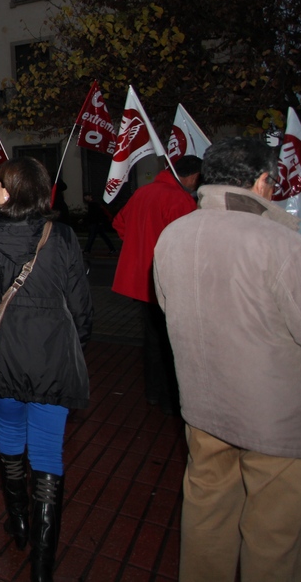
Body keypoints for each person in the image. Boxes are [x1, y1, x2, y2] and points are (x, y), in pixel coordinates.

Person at [153, 138, 301, 582]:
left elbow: (168, 305)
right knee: (273, 539)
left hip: (204, 407)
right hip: (277, 420)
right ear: (263, 181)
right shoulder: (285, 246)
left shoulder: (173, 236)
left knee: (207, 523)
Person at [0, 157, 91, 582]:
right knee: (48, 450)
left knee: (9, 434)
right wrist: (78, 342)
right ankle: (42, 564)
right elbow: (80, 305)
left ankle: (18, 519)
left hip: (4, 352)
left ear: (9, 191)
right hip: (53, 352)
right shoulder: (64, 236)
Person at [112, 155, 201, 416]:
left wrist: (139, 245)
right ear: (193, 176)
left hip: (141, 280)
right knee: (171, 342)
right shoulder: (181, 200)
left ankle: (153, 392)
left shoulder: (143, 193)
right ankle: (170, 398)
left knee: (152, 338)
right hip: (168, 281)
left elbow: (119, 224)